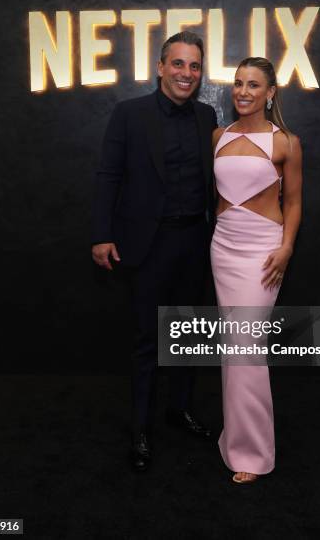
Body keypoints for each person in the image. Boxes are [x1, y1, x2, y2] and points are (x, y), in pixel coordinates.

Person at [92, 31, 217, 472]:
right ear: (160, 67)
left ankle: (178, 410)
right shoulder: (129, 114)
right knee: (148, 340)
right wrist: (101, 234)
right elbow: (109, 175)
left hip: (195, 242)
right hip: (147, 244)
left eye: (195, 66)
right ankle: (140, 428)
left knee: (187, 336)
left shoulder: (208, 115)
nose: (187, 73)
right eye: (179, 64)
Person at [210, 57, 302, 483]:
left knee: (246, 348)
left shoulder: (285, 141)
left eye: (253, 85)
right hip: (223, 247)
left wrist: (286, 249)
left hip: (263, 251)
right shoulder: (218, 135)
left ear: (270, 93)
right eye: (237, 83)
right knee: (234, 348)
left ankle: (253, 453)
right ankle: (235, 438)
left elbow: (294, 202)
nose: (243, 91)